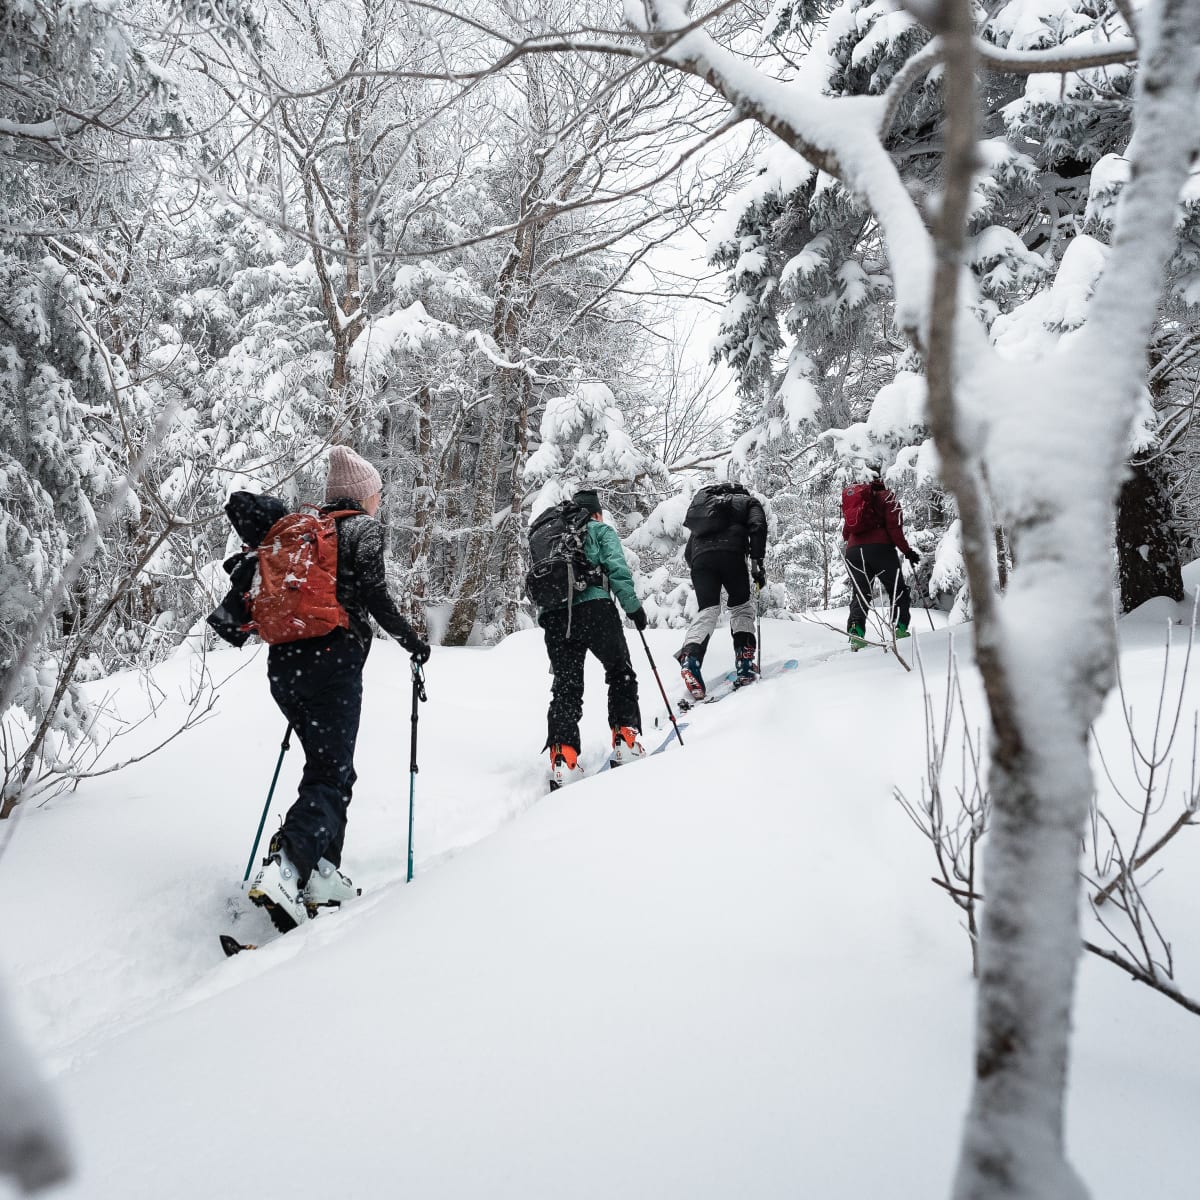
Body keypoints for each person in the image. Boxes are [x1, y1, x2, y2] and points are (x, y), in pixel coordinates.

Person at [248, 446, 431, 930]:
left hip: (285, 666)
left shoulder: (305, 534)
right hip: (333, 660)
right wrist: (413, 642)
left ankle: (322, 870)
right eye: (376, 493)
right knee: (331, 773)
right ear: (363, 495)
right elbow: (375, 595)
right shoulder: (362, 529)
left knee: (330, 768)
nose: (378, 500)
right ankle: (288, 867)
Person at [538, 488, 648, 789]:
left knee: (566, 686)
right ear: (596, 512)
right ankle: (625, 741)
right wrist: (633, 608)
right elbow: (616, 569)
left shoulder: (551, 537)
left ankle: (564, 758)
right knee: (619, 671)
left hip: (555, 618)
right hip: (595, 610)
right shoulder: (600, 529)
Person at [676, 481, 768, 700]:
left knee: (707, 610)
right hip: (731, 555)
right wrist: (757, 562)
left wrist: (702, 567)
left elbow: (690, 551)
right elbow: (758, 526)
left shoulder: (705, 510)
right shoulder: (747, 502)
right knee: (741, 606)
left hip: (700, 561)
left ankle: (690, 658)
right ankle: (744, 661)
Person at [841, 464, 919, 650]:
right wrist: (907, 551)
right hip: (881, 550)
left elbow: (846, 533)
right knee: (897, 590)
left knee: (861, 593)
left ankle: (856, 634)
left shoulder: (857, 501)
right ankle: (899, 629)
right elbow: (894, 529)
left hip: (853, 552)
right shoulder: (888, 497)